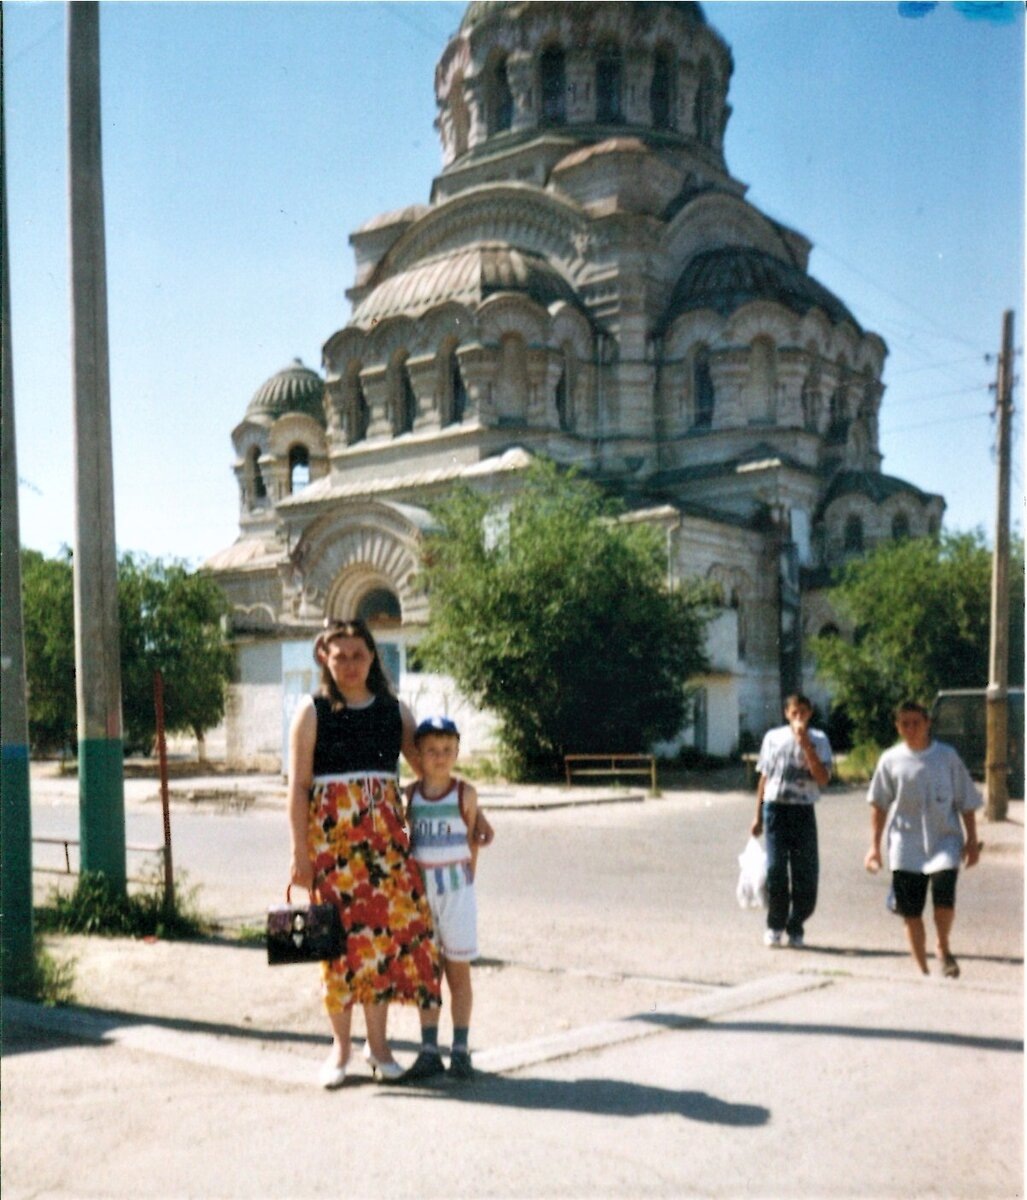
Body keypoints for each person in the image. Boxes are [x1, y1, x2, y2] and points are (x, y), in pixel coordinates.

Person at [288, 618, 440, 1089]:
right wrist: (300, 855)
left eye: (358, 655)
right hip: (331, 851)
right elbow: (297, 788)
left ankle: (379, 1048)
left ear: (373, 658)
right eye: (341, 656)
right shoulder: (311, 712)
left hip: (386, 851)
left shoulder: (394, 712)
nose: (350, 665)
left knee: (377, 948)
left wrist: (466, 810)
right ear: (324, 659)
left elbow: (430, 770)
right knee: (334, 948)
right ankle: (340, 1050)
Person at [864, 700, 982, 978]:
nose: (911, 728)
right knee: (911, 911)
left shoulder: (947, 757)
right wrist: (874, 848)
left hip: (945, 840)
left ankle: (942, 944)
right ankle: (923, 972)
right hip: (906, 844)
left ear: (928, 723)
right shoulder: (890, 760)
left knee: (944, 893)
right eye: (904, 724)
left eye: (916, 722)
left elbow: (966, 801)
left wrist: (972, 841)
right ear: (897, 726)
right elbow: (879, 805)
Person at [402, 716, 484, 1082]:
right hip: (421, 895)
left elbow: (472, 839)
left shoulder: (464, 793)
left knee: (458, 972)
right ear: (417, 752)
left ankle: (461, 1049)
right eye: (432, 750)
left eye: (447, 750)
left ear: (457, 751)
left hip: (456, 892)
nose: (439, 757)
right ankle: (429, 1048)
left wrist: (466, 878)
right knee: (425, 973)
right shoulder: (409, 796)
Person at [751, 693, 833, 948]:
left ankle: (796, 924)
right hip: (776, 809)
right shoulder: (773, 738)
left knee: (805, 872)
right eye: (794, 712)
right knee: (776, 869)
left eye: (804, 713)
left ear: (810, 714)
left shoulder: (819, 740)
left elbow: (822, 778)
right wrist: (758, 815)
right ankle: (775, 924)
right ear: (787, 714)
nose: (799, 717)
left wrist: (805, 743)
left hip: (803, 809)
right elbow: (764, 778)